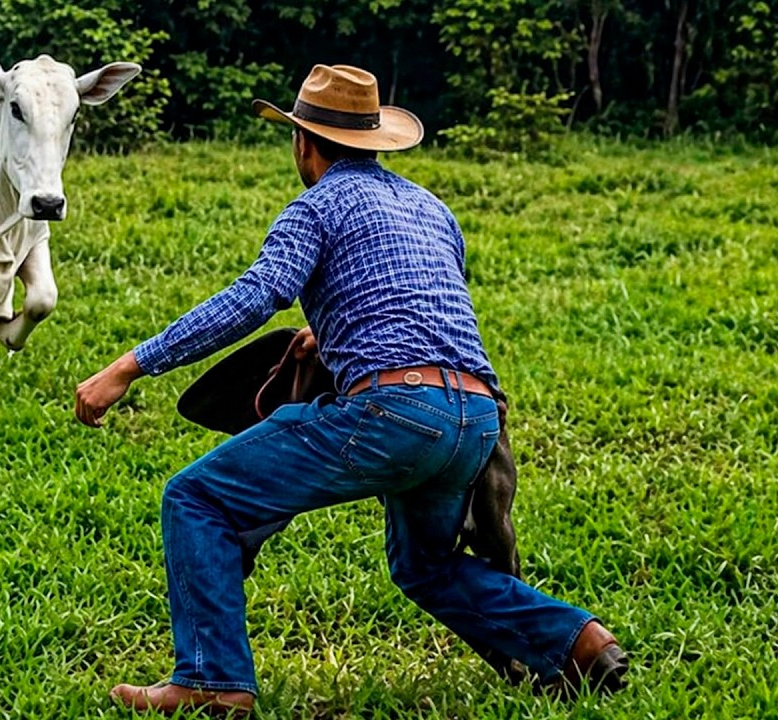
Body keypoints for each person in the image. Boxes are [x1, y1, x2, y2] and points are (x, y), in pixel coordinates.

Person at [74, 63, 629, 716]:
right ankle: (578, 640)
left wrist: (128, 368)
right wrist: (325, 331)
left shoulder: (315, 206)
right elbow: (417, 302)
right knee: (425, 567)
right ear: (373, 141)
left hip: (392, 414)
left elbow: (254, 297)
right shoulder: (432, 208)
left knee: (197, 498)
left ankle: (211, 680)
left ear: (303, 143)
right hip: (476, 417)